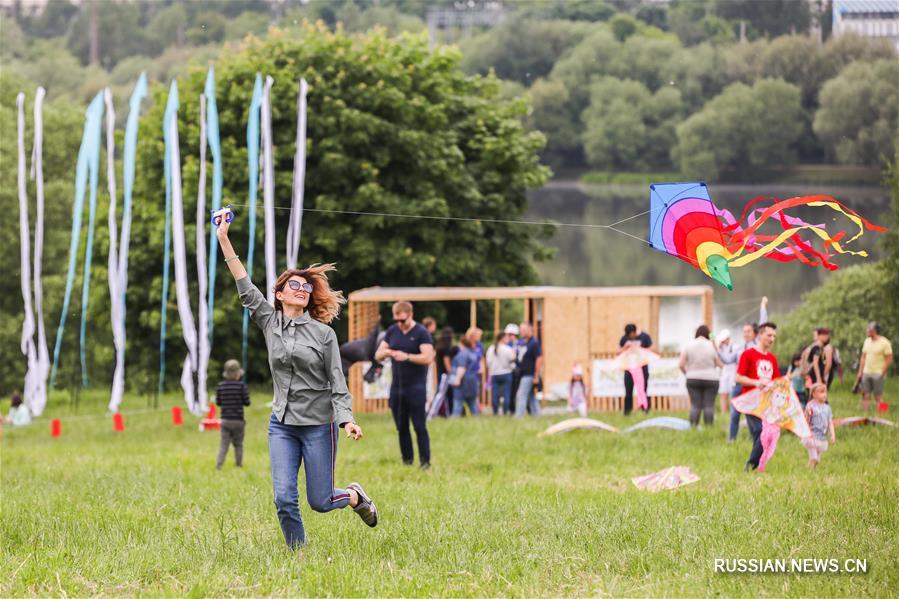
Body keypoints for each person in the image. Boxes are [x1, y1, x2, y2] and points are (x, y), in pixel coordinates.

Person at [216, 216, 377, 550]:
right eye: (295, 286)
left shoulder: (323, 334)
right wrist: (223, 237)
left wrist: (346, 419)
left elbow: (337, 380)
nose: (302, 290)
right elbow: (244, 283)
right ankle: (299, 556)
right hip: (282, 424)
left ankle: (354, 496)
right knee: (283, 498)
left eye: (306, 288)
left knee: (319, 501)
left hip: (319, 425)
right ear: (279, 294)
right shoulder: (269, 320)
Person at [375, 301, 435, 469]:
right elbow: (377, 354)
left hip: (416, 387)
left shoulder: (422, 333)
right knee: (401, 426)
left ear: (411, 315)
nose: (399, 324)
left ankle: (425, 462)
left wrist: (407, 356)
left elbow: (428, 357)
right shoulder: (393, 331)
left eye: (402, 320)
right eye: (397, 320)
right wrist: (385, 353)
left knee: (419, 426)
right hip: (397, 388)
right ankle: (407, 461)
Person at [735, 322, 779, 472]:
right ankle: (750, 466)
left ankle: (756, 465)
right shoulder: (748, 354)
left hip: (766, 404)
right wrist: (756, 382)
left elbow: (776, 381)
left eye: (774, 336)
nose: (772, 339)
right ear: (760, 335)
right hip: (750, 401)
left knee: (764, 435)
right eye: (769, 335)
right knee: (760, 432)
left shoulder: (772, 358)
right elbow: (738, 377)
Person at [727, 296, 768, 442]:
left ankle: (755, 439)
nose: (745, 334)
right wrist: (716, 346)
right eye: (744, 331)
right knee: (734, 414)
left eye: (748, 331)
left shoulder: (757, 345)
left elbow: (764, 325)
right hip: (738, 385)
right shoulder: (738, 347)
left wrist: (763, 306)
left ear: (756, 334)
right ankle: (731, 440)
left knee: (753, 414)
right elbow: (727, 360)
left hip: (752, 386)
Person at [680, 325, 723, 427]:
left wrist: (687, 373)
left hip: (692, 378)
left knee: (695, 405)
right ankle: (709, 428)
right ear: (707, 334)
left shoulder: (688, 345)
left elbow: (681, 364)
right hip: (711, 378)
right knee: (709, 405)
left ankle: (693, 427)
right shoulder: (712, 345)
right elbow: (719, 363)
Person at [215, 359, 251, 469]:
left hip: (225, 421)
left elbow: (218, 402)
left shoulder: (221, 386)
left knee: (224, 444)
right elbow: (247, 402)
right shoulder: (241, 386)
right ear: (238, 373)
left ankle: (219, 465)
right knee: (238, 444)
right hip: (238, 421)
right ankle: (239, 465)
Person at [856, 322, 893, 412]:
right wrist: (860, 372)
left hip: (878, 373)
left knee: (878, 396)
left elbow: (889, 359)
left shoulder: (885, 342)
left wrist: (882, 372)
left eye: (869, 329)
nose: (867, 331)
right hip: (866, 372)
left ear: (875, 330)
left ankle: (882, 413)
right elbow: (863, 357)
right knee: (865, 395)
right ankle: (865, 414)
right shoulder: (867, 341)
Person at [618, 323, 653, 416]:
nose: (630, 337)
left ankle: (645, 410)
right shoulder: (624, 338)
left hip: (642, 369)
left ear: (634, 332)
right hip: (629, 369)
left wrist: (638, 349)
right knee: (628, 391)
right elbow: (618, 352)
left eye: (630, 335)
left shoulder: (645, 337)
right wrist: (625, 347)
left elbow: (650, 351)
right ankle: (627, 412)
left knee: (643, 390)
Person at [802, 383, 836, 470]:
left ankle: (810, 469)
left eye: (825, 392)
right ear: (814, 394)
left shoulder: (827, 408)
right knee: (814, 458)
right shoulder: (810, 406)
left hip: (821, 437)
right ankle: (810, 471)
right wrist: (806, 431)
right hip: (811, 436)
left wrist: (833, 435)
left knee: (817, 459)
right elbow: (807, 419)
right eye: (821, 392)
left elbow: (830, 422)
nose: (824, 394)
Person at [514, 321, 543, 417]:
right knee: (531, 396)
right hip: (522, 374)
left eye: (523, 329)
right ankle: (537, 415)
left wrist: (536, 375)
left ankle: (518, 416)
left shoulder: (534, 343)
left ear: (529, 330)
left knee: (521, 395)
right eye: (520, 330)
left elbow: (539, 358)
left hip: (529, 374)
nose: (521, 332)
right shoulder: (522, 343)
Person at [486, 325, 517, 415]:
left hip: (494, 374)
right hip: (506, 373)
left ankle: (495, 411)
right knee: (506, 393)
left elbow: (488, 362)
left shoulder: (491, 349)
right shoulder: (508, 349)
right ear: (502, 338)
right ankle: (505, 411)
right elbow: (512, 361)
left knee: (494, 394)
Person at [450, 334, 481, 417]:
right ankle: (478, 422)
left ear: (461, 343)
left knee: (458, 404)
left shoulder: (462, 354)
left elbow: (461, 368)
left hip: (463, 382)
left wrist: (457, 380)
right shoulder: (472, 353)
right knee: (473, 405)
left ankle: (454, 422)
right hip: (472, 381)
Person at [434, 327, 458, 418]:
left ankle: (448, 414)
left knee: (447, 394)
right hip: (445, 374)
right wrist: (450, 371)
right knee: (441, 394)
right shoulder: (446, 347)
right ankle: (432, 414)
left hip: (440, 372)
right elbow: (446, 361)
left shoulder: (439, 346)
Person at [715, 329, 736, 415]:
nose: (723, 342)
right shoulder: (721, 348)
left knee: (732, 393)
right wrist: (718, 347)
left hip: (733, 372)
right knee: (723, 393)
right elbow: (717, 359)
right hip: (724, 372)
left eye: (724, 340)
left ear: (728, 338)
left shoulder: (734, 347)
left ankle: (732, 412)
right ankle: (723, 413)